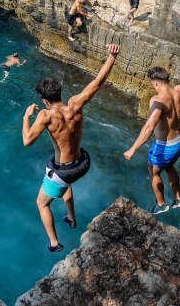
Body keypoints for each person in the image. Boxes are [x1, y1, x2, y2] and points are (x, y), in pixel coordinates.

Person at [23, 43, 121, 252]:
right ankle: (71, 217)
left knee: (42, 203)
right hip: (83, 162)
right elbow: (98, 82)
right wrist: (112, 56)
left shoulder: (46, 115)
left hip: (66, 171)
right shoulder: (76, 103)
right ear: (60, 92)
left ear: (44, 100)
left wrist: (26, 117)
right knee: (56, 167)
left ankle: (54, 243)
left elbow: (27, 141)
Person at [124, 51, 180, 214]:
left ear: (155, 83)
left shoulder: (158, 101)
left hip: (166, 146)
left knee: (153, 171)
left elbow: (149, 128)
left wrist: (132, 149)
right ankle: (178, 199)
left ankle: (161, 204)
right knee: (169, 165)